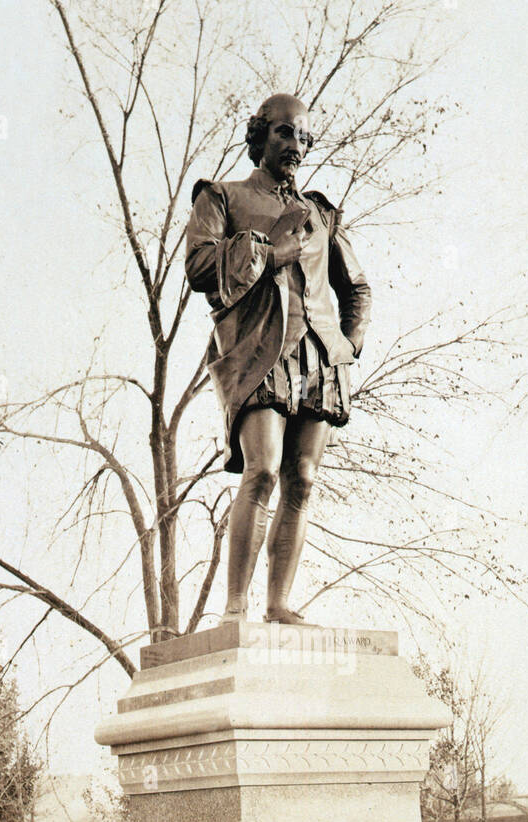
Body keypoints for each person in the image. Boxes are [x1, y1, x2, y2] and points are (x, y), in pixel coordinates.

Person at [185, 92, 371, 624]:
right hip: (259, 355)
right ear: (260, 135)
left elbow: (357, 287)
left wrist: (348, 343)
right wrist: (269, 253)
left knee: (303, 479)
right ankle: (235, 609)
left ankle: (278, 604)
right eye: (284, 133)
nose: (295, 145)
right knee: (262, 471)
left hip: (319, 360)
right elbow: (199, 267)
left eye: (303, 137)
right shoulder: (222, 196)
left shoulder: (318, 213)